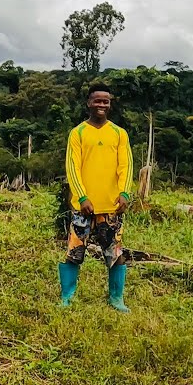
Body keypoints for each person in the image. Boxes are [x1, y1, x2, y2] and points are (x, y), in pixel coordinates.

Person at [60, 83, 134, 311]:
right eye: (97, 101)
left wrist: (124, 193)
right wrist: (82, 198)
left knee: (115, 253)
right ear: (88, 103)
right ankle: (67, 297)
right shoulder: (78, 133)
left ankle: (116, 298)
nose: (102, 105)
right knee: (74, 252)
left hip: (111, 207)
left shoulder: (119, 133)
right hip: (83, 208)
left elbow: (126, 165)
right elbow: (72, 167)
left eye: (106, 101)